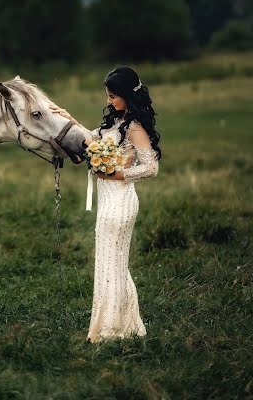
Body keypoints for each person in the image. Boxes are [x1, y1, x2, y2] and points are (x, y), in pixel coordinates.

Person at [50, 66, 161, 343]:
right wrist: (66, 118)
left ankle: (112, 331)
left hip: (121, 201)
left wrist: (117, 174)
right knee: (111, 264)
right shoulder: (113, 125)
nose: (109, 101)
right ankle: (125, 326)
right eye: (108, 96)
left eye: (113, 96)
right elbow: (90, 140)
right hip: (108, 201)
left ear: (127, 96)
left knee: (112, 263)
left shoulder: (134, 128)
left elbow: (151, 168)